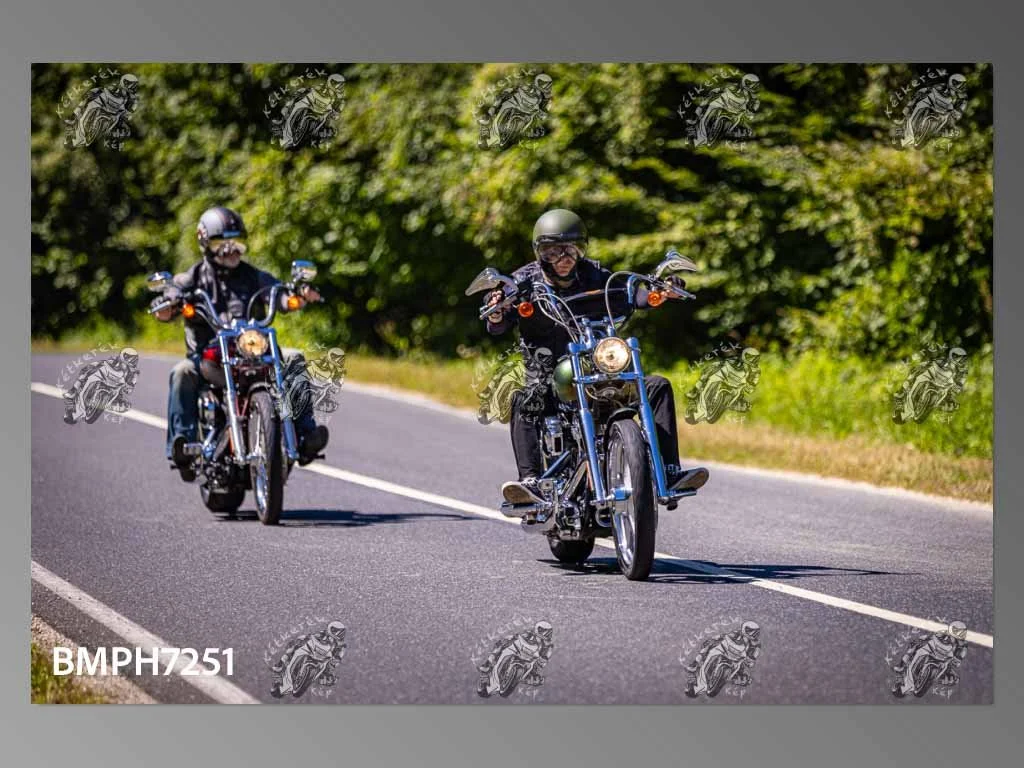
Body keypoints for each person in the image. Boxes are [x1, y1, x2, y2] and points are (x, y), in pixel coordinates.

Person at [483, 208, 709, 505]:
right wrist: (497, 307)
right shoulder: (524, 282)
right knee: (526, 398)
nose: (563, 258)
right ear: (540, 252)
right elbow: (497, 322)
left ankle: (668, 471)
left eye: (571, 249)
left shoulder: (596, 275)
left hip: (598, 367)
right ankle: (531, 482)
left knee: (657, 387)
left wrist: (661, 291)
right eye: (553, 251)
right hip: (548, 374)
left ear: (582, 249)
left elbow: (631, 294)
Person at [152, 206, 329, 481]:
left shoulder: (253, 275)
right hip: (209, 359)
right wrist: (170, 301)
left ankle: (305, 435)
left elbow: (278, 293)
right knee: (181, 373)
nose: (231, 250)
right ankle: (183, 445)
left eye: (236, 243)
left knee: (294, 357)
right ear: (206, 244)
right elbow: (172, 295)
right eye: (222, 244)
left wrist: (296, 295)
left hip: (252, 353)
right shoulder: (193, 278)